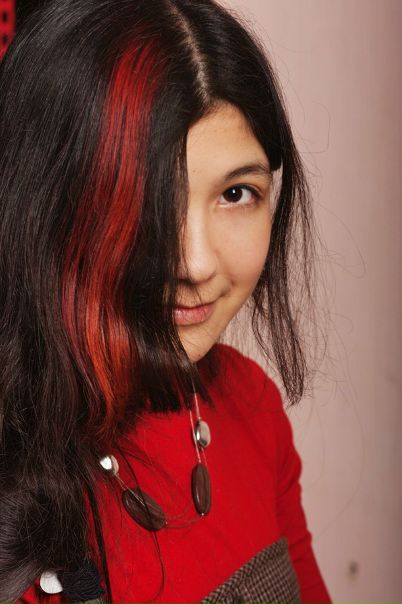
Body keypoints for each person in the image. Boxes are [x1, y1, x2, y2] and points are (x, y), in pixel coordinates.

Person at [0, 0, 332, 602]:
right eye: (145, 200)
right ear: (46, 207)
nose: (195, 264)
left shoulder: (250, 404)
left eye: (237, 193)